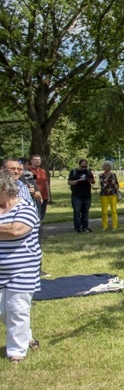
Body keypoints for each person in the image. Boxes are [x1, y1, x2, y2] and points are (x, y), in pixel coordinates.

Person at [0, 170, 42, 363]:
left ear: (5, 189)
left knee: (17, 309)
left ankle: (16, 352)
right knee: (2, 311)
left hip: (22, 269)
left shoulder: (25, 207)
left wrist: (7, 230)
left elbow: (16, 230)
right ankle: (27, 337)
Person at [67, 159, 95, 233]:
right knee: (77, 212)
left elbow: (93, 181)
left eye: (85, 166)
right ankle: (77, 228)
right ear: (79, 165)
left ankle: (85, 227)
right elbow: (69, 182)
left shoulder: (88, 172)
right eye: (82, 166)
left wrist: (90, 180)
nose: (84, 168)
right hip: (77, 195)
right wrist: (77, 181)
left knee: (85, 212)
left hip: (87, 195)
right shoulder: (73, 172)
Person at [27, 155, 50, 221]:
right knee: (36, 214)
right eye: (35, 159)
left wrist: (48, 195)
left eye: (39, 159)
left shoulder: (43, 171)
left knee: (42, 214)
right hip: (35, 195)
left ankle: (39, 228)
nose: (37, 161)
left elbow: (46, 183)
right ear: (31, 161)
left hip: (44, 195)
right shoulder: (29, 170)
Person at [98, 161, 120, 231]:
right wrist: (107, 177)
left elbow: (116, 183)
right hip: (104, 194)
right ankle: (105, 226)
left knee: (113, 210)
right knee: (104, 211)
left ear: (110, 167)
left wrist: (116, 186)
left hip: (112, 194)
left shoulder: (113, 175)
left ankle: (114, 226)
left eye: (108, 166)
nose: (106, 167)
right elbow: (103, 184)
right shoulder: (101, 175)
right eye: (105, 166)